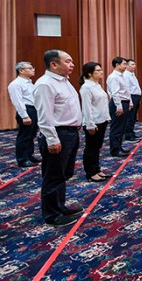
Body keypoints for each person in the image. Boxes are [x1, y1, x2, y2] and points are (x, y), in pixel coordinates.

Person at [33, 50, 83, 226]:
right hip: (57, 133)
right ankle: (52, 215)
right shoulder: (45, 84)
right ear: (54, 64)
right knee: (53, 175)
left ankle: (60, 206)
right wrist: (52, 139)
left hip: (71, 133)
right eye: (68, 61)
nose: (72, 64)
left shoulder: (65, 81)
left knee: (63, 173)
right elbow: (44, 115)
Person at [79, 62, 111, 182]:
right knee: (91, 148)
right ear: (89, 73)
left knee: (97, 147)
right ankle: (90, 172)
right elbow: (86, 107)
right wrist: (89, 124)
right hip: (93, 122)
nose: (101, 72)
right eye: (98, 70)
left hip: (101, 120)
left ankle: (97, 169)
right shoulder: (86, 87)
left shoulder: (96, 85)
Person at [7, 61, 41, 167]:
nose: (33, 70)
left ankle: (29, 156)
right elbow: (18, 101)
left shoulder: (30, 83)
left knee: (31, 135)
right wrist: (25, 116)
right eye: (30, 68)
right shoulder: (16, 84)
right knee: (24, 136)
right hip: (26, 110)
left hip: (34, 109)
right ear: (21, 71)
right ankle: (22, 159)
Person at [107, 57, 132, 157]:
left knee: (122, 127)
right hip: (118, 103)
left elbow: (126, 91)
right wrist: (119, 106)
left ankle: (119, 147)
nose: (126, 66)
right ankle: (115, 150)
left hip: (124, 103)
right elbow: (115, 93)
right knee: (116, 128)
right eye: (124, 64)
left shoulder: (122, 76)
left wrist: (129, 102)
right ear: (117, 65)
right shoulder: (114, 77)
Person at [123, 59, 142, 141]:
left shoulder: (132, 74)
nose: (134, 66)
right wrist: (130, 100)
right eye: (132, 64)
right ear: (127, 66)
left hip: (136, 97)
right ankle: (128, 135)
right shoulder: (126, 75)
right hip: (131, 97)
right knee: (130, 117)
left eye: (134, 64)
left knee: (133, 117)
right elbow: (127, 89)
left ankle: (132, 132)